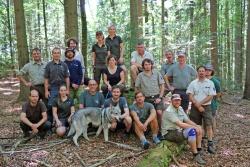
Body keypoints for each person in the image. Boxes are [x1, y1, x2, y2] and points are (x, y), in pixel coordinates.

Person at [161, 94, 205, 165]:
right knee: (192, 130)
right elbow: (180, 124)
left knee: (198, 127)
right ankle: (195, 154)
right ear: (171, 101)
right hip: (169, 133)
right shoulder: (169, 111)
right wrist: (194, 127)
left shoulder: (180, 108)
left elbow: (187, 120)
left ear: (180, 101)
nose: (177, 102)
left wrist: (196, 126)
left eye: (178, 100)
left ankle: (199, 149)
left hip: (178, 130)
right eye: (175, 100)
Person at [186, 65, 216, 154]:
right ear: (197, 72)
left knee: (209, 125)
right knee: (196, 125)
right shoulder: (193, 83)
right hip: (195, 108)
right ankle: (198, 144)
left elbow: (211, 96)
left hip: (207, 107)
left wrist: (200, 103)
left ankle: (210, 144)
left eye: (203, 71)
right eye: (200, 71)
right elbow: (190, 95)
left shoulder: (210, 83)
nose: (201, 72)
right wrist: (197, 105)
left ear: (205, 72)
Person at [135, 58, 165, 128]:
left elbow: (162, 85)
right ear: (143, 66)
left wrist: (160, 97)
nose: (147, 66)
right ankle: (149, 129)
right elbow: (136, 87)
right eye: (146, 64)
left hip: (157, 97)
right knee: (149, 114)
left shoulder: (157, 73)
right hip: (146, 98)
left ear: (151, 65)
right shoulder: (140, 75)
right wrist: (138, 97)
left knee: (159, 112)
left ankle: (161, 129)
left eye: (149, 64)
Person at [44, 47, 70, 123]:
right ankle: (51, 122)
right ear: (52, 54)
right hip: (53, 87)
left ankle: (64, 121)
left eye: (58, 53)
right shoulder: (49, 65)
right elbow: (46, 79)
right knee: (51, 105)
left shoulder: (64, 65)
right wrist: (46, 90)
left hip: (63, 87)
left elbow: (67, 78)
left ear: (60, 54)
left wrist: (67, 89)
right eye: (54, 53)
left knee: (64, 104)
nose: (56, 54)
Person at [205, 64, 221, 136]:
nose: (207, 72)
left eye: (209, 70)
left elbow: (218, 93)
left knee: (212, 119)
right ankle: (204, 134)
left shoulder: (215, 81)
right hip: (202, 103)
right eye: (206, 70)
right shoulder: (202, 79)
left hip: (212, 103)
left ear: (212, 71)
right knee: (204, 119)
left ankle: (213, 134)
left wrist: (214, 100)